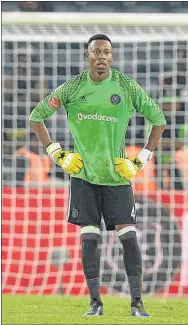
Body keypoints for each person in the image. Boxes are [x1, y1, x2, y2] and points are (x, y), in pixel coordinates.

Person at [29, 34, 166, 317]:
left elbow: (159, 120)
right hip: (83, 176)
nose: (102, 56)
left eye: (106, 52)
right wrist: (56, 153)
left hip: (117, 176)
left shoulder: (126, 87)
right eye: (96, 52)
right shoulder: (72, 88)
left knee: (129, 238)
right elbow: (36, 117)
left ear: (112, 57)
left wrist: (141, 159)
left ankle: (137, 303)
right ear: (88, 56)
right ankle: (95, 303)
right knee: (89, 239)